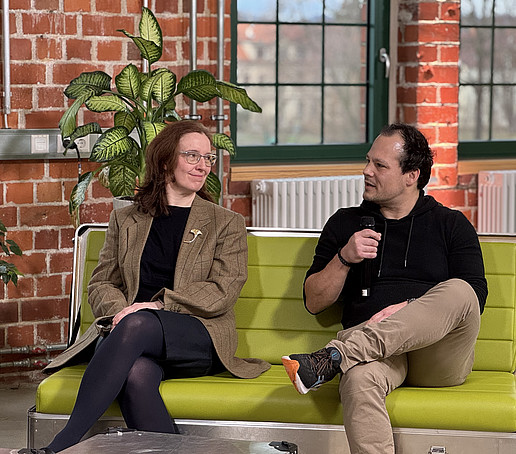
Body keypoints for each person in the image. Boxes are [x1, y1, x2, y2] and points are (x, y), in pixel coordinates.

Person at [29, 120, 270, 453]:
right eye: (192, 156)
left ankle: (60, 446)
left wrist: (155, 307)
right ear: (165, 161)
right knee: (136, 374)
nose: (203, 165)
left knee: (138, 323)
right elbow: (102, 281)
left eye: (208, 158)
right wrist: (121, 313)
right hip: (130, 335)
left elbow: (222, 291)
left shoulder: (225, 222)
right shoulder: (126, 219)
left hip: (197, 334)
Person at [281, 123, 487, 454]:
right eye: (368, 161)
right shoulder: (345, 223)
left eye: (380, 165)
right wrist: (344, 257)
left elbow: (475, 299)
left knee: (461, 291)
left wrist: (409, 307)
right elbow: (314, 302)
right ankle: (340, 357)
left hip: (436, 356)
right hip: (377, 357)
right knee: (359, 378)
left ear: (412, 175)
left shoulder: (451, 225)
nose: (366, 171)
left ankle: (336, 355)